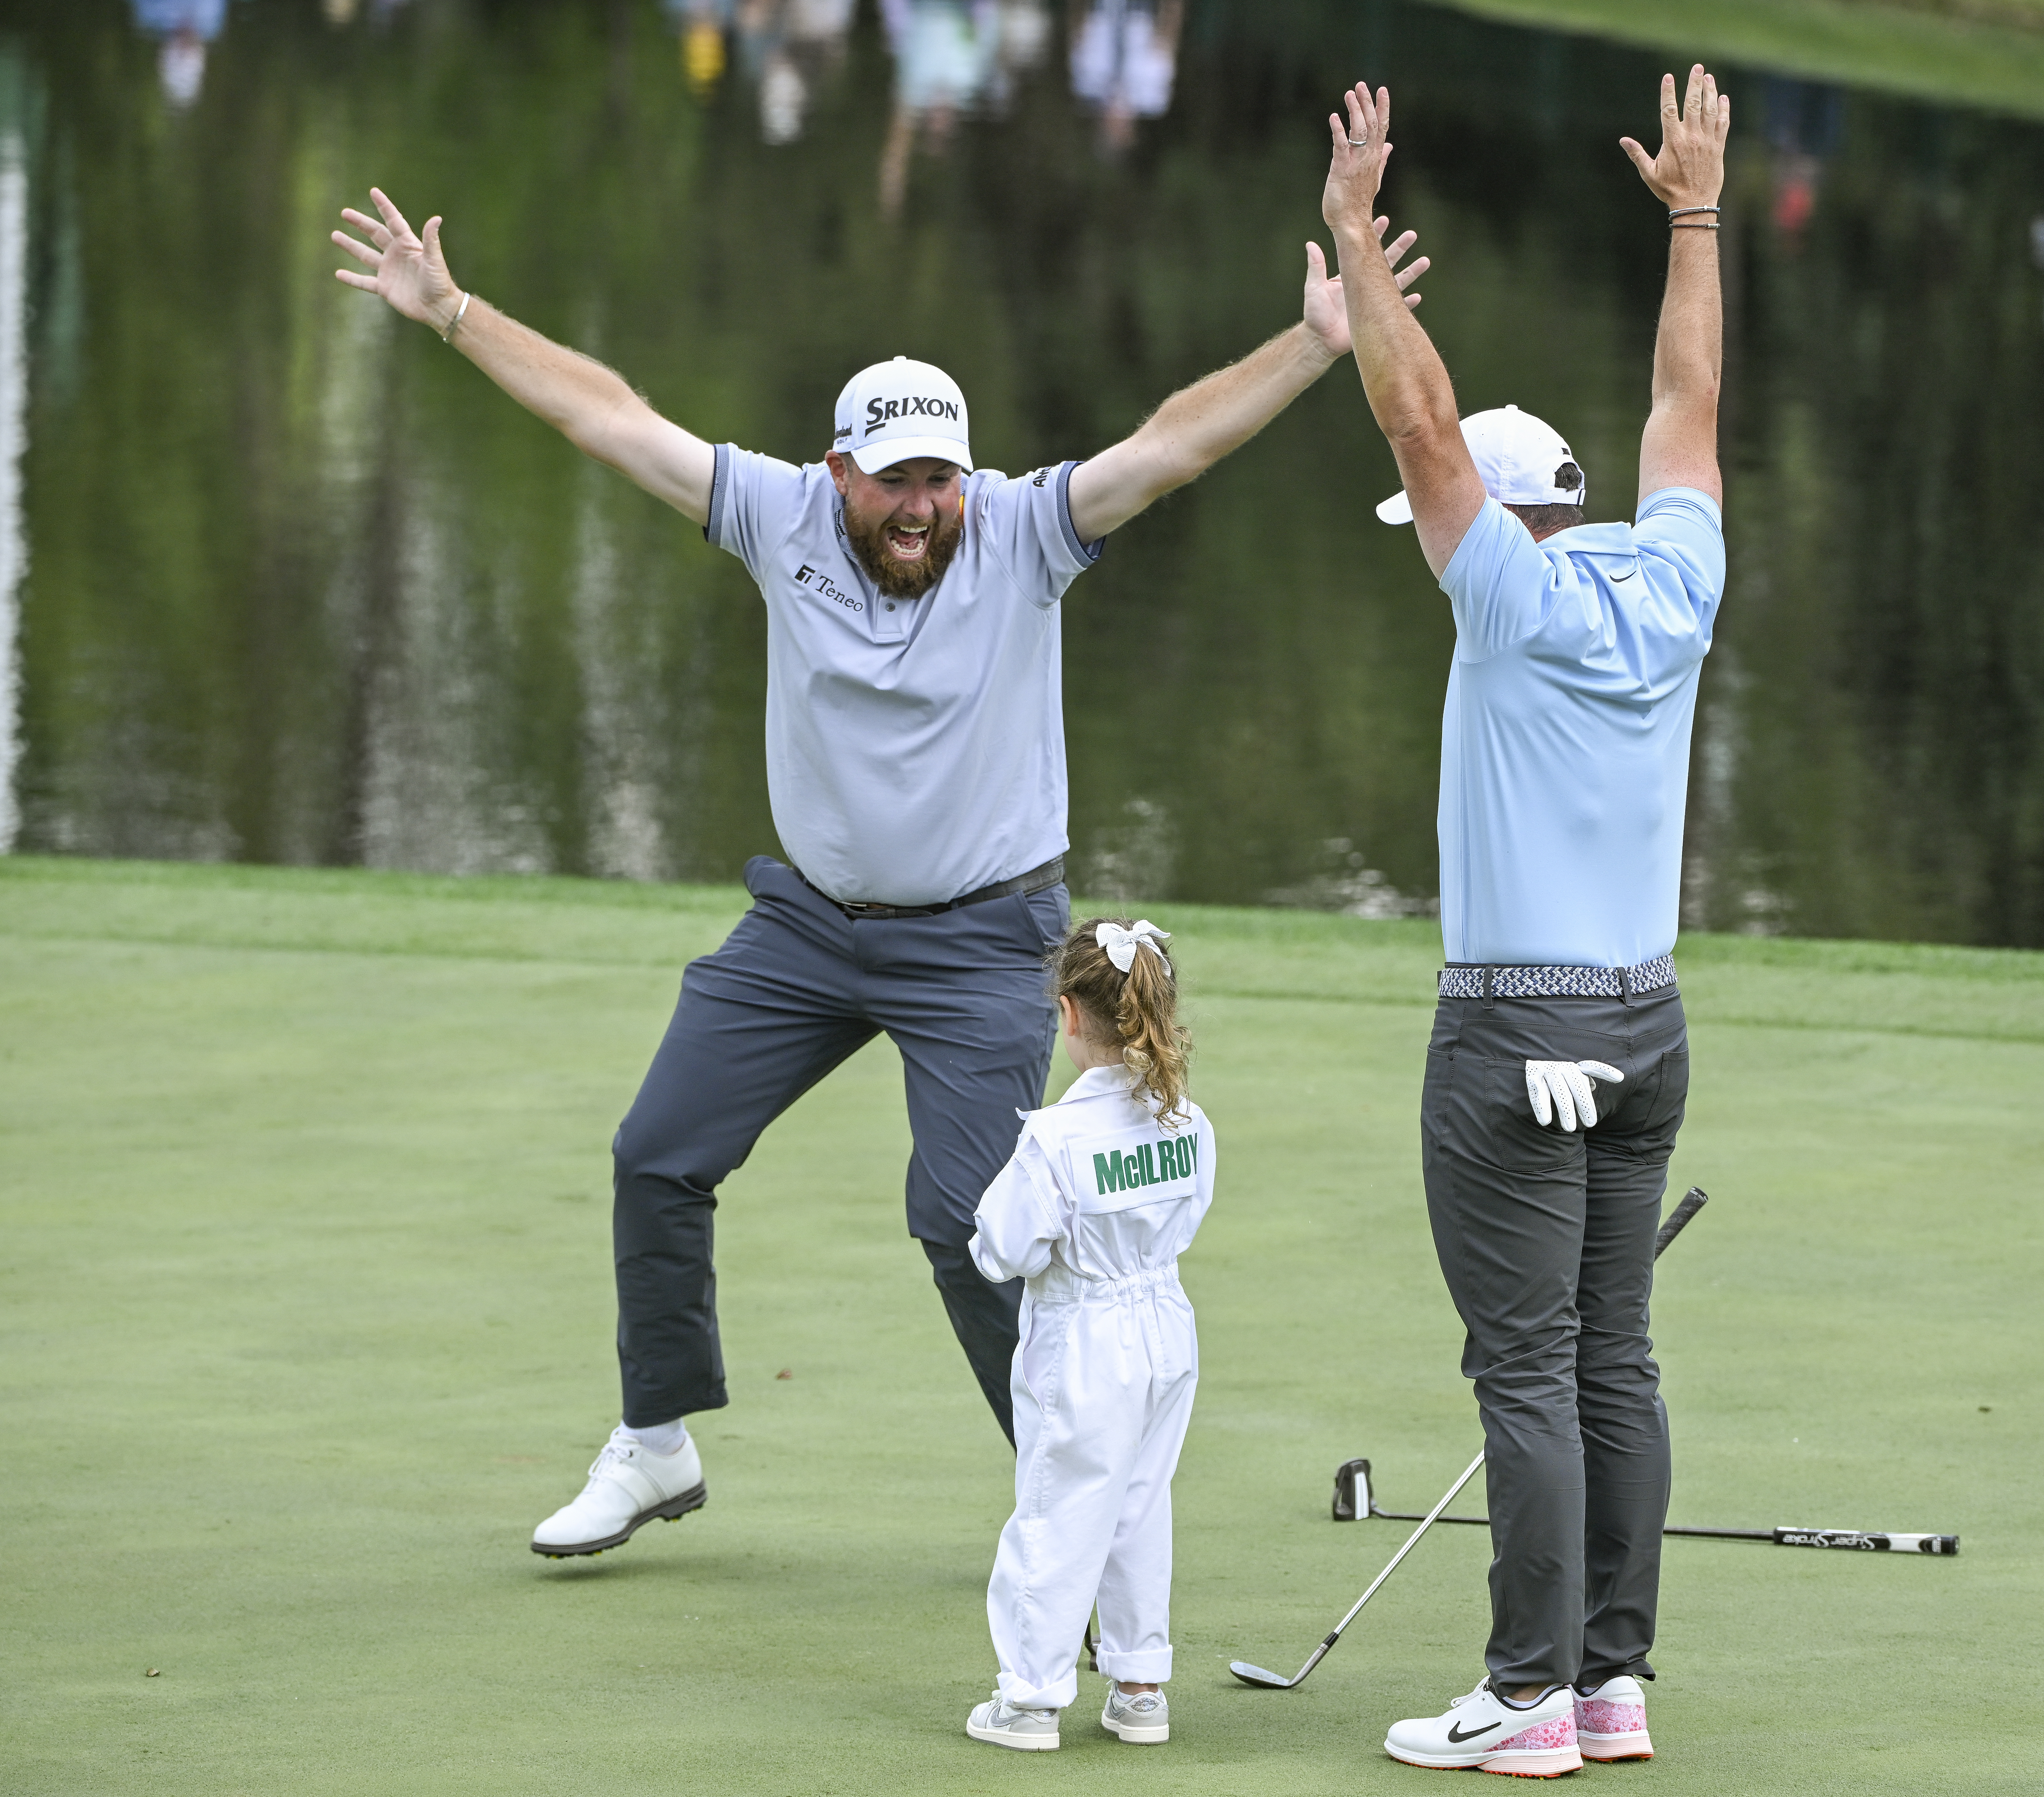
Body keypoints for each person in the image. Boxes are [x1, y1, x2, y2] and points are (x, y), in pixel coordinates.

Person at [326, 187, 1425, 1558]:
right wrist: (454, 314)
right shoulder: (775, 515)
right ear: (837, 470)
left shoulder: (1024, 533)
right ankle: (656, 1442)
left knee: (965, 1214)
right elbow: (604, 414)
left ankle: (1074, 1496)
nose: (920, 507)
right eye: (895, 478)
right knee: (657, 1153)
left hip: (981, 942)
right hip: (808, 929)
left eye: (938, 478)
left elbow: (1168, 447)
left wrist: (1314, 344)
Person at [1319, 72, 1729, 1776]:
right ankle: (1613, 1683)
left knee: (1530, 1370)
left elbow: (1420, 432)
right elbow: (1686, 395)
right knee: (1613, 1358)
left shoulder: (1500, 591)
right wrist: (1695, 220)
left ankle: (1529, 1694)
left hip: (1511, 1032)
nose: (1425, 538)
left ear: (1479, 517)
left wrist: (1358, 241)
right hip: (1642, 1025)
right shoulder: (1676, 574)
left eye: (1436, 519)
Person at [959, 917, 1210, 1752]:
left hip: (1086, 1331)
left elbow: (1001, 1249)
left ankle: (1030, 1699)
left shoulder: (1056, 1137)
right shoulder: (1187, 1123)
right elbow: (1188, 1216)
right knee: (1139, 1501)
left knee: (1057, 1508)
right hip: (1166, 1328)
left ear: (1068, 1015)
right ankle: (1140, 1687)